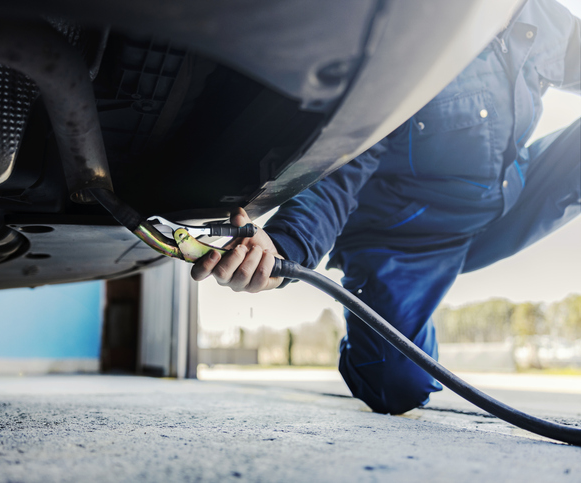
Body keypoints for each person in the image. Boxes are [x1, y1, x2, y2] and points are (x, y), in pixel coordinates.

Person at [191, 0, 581, 415]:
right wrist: (284, 249)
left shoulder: (539, 17)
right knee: (397, 386)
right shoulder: (410, 35)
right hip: (404, 242)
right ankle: (378, 311)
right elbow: (344, 167)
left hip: (511, 200)